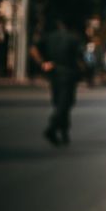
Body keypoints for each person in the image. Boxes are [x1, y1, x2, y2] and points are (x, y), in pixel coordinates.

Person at [30, 15, 84, 146]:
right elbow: (80, 60)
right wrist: (83, 74)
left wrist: (43, 63)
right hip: (68, 74)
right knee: (64, 104)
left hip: (53, 74)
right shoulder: (73, 39)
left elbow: (33, 49)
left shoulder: (49, 37)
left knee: (59, 103)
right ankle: (52, 129)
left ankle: (64, 133)